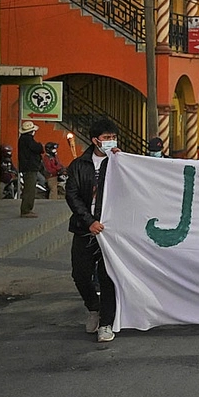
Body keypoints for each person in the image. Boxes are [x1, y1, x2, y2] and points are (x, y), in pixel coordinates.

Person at [64, 118, 120, 343]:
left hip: (111, 231)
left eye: (113, 137)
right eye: (106, 138)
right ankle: (93, 308)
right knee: (80, 274)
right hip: (85, 229)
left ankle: (106, 324)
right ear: (95, 140)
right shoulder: (79, 165)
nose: (110, 141)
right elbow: (73, 196)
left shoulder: (119, 163)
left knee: (107, 278)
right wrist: (88, 221)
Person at [18, 120, 44, 218]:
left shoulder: (23, 139)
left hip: (27, 167)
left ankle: (27, 209)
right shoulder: (28, 140)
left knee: (30, 188)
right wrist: (41, 146)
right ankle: (26, 210)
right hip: (29, 168)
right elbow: (38, 148)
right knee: (29, 189)